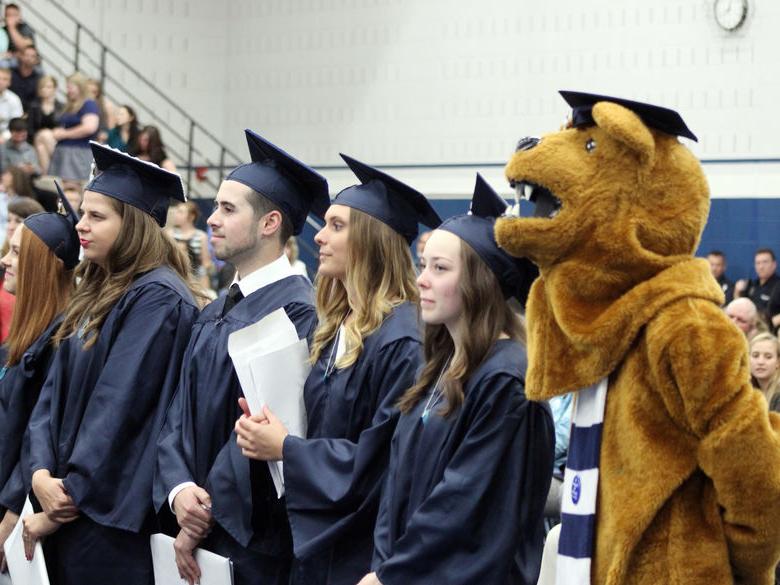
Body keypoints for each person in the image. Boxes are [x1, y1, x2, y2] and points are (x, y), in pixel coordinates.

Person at [234, 154, 440, 585]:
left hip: (358, 553)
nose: (320, 236)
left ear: (371, 241)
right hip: (316, 541)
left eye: (336, 226)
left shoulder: (402, 340)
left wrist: (286, 448)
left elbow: (382, 458)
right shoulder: (339, 326)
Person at [357, 174, 553, 585]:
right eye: (423, 264)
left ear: (480, 282)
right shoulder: (439, 369)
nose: (421, 279)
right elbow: (395, 489)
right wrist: (382, 566)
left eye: (440, 268)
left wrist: (392, 574)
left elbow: (464, 506)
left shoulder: (505, 381)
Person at [155, 130, 329, 585]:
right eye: (215, 207)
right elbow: (178, 412)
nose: (212, 219)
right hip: (192, 526)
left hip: (252, 543)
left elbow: (266, 434)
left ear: (270, 223)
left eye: (228, 209)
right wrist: (177, 490)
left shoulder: (298, 314)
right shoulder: (213, 311)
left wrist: (204, 510)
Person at [26, 142, 200, 585]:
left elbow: (117, 412)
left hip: (108, 523)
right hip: (65, 505)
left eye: (96, 216)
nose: (80, 226)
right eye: (83, 213)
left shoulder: (158, 298)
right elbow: (52, 394)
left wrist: (61, 506)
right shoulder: (97, 289)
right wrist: (40, 473)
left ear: (134, 226)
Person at [0, 184, 79, 569]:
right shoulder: (27, 334)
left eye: (16, 252)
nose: (5, 261)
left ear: (42, 263)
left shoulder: (60, 342)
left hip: (16, 512)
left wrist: (13, 511)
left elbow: (38, 432)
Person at [42, 72, 100, 180]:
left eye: (70, 87)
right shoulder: (71, 105)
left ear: (80, 87)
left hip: (78, 154)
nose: (68, 91)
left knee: (73, 186)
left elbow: (89, 127)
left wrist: (64, 134)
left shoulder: (89, 104)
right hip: (64, 152)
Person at [169, 200, 212, 290]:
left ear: (191, 217)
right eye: (176, 212)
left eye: (180, 212)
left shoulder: (201, 236)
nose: (176, 215)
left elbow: (206, 263)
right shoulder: (169, 234)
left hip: (195, 279)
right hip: (174, 277)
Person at [736, 248, 780, 325]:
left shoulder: (778, 285)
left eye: (765, 262)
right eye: (758, 263)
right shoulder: (752, 285)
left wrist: (773, 322)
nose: (761, 267)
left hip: (769, 332)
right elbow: (739, 308)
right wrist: (737, 291)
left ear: (774, 264)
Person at [28, 75, 64, 157]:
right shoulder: (33, 106)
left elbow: (63, 127)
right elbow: (30, 130)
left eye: (48, 87)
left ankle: (48, 170)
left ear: (55, 89)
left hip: (55, 140)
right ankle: (58, 160)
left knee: (41, 148)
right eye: (42, 87)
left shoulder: (62, 107)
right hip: (37, 138)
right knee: (45, 134)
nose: (44, 90)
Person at [750, 332, 780, 412]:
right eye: (755, 356)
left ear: (778, 362)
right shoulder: (747, 390)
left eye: (768, 357)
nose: (760, 362)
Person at [9, 44, 39, 112]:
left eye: (32, 56)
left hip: (28, 114)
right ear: (21, 56)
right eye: (27, 55)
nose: (29, 58)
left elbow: (36, 101)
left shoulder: (38, 79)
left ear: (36, 60)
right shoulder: (10, 73)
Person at [85, 78, 116, 143]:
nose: (91, 95)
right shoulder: (80, 105)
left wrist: (105, 135)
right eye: (88, 91)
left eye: (94, 92)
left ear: (98, 93)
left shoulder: (106, 106)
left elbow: (112, 130)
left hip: (100, 142)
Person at [0, 67, 22, 139]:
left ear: (9, 83)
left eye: (5, 79)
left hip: (6, 138)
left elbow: (16, 125)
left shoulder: (14, 99)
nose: (1, 82)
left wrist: (4, 137)